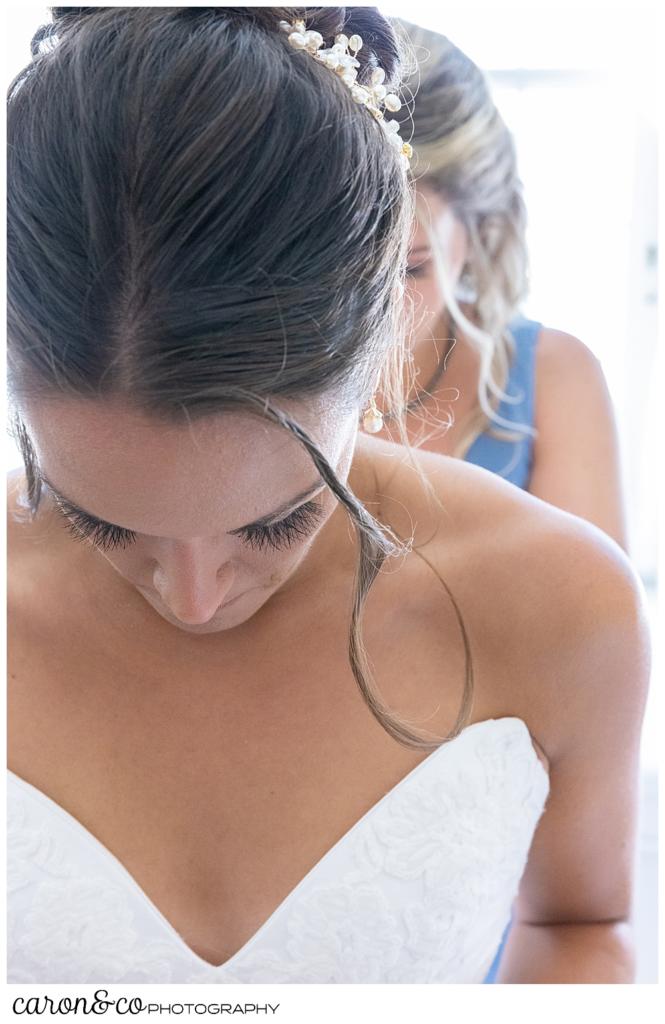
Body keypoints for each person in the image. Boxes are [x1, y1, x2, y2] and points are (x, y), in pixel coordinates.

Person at [6, 7, 649, 985]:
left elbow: (574, 924)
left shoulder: (561, 605)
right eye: (100, 517)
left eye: (276, 516)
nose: (194, 597)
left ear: (387, 326)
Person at [381, 21, 631, 981]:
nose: (358, 312)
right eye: (328, 260)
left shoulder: (551, 378)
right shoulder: (254, 393)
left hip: (489, 857)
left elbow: (583, 675)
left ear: (477, 232)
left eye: (405, 268)